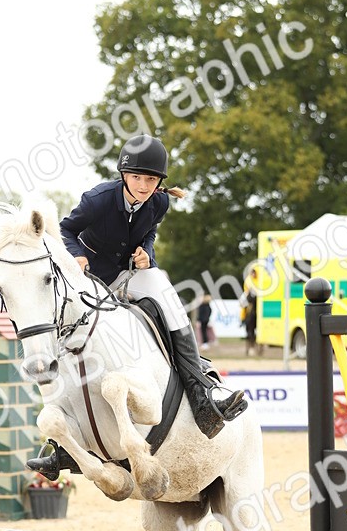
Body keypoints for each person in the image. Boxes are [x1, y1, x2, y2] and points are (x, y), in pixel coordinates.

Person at [28, 135, 247, 478]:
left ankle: (202, 392)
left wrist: (147, 254)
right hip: (89, 278)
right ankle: (60, 444)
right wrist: (77, 256)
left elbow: (148, 235)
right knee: (64, 329)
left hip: (127, 276)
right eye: (137, 178)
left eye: (151, 179)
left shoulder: (160, 203)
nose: (144, 185)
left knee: (162, 286)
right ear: (124, 176)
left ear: (159, 181)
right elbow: (67, 230)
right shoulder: (98, 199)